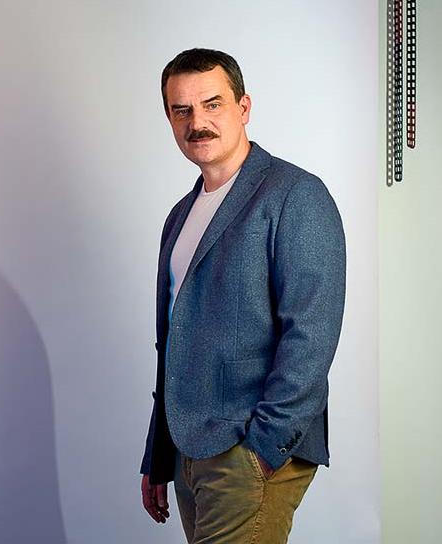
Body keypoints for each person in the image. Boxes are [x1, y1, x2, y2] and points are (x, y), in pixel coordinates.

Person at [139, 48, 346, 544]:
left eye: (212, 104)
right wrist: (158, 455)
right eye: (182, 110)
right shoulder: (180, 215)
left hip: (249, 451)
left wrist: (264, 448)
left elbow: (311, 332)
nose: (197, 123)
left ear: (244, 107)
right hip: (188, 453)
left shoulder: (295, 195)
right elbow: (175, 345)